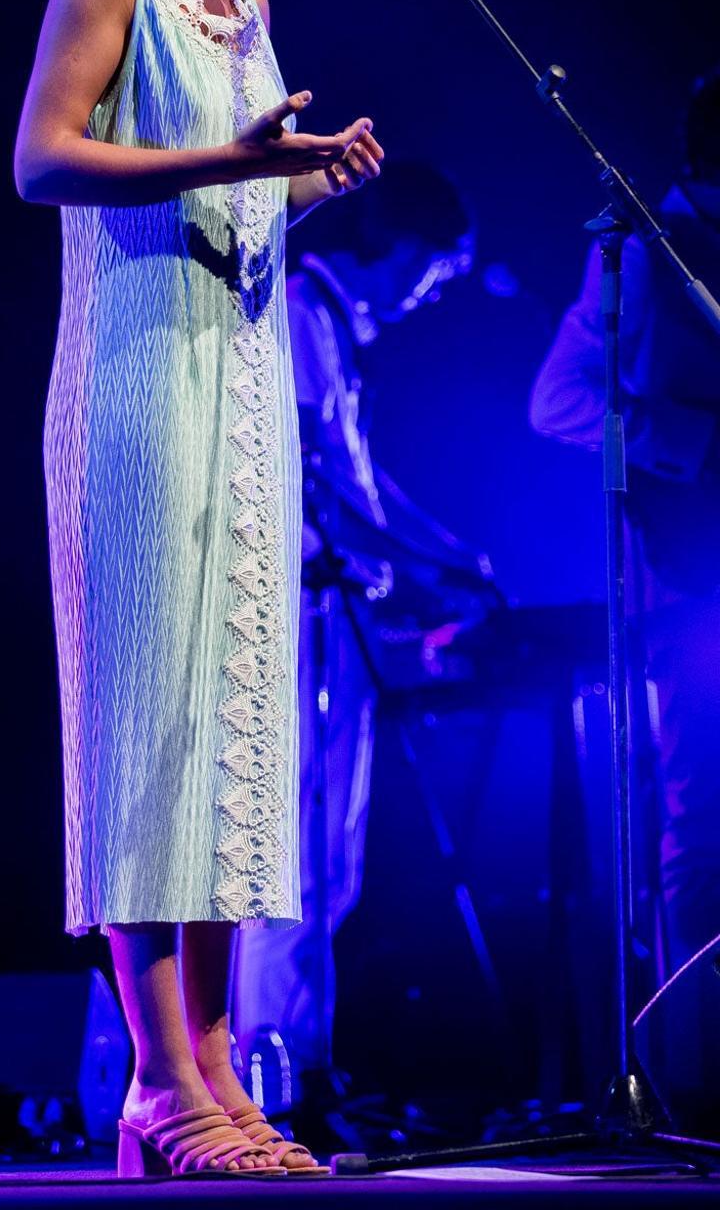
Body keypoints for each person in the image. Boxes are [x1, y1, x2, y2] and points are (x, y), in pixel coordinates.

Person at [13, 0, 384, 1177]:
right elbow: (43, 161)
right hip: (136, 387)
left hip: (245, 392)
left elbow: (234, 182)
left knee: (230, 735)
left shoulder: (253, 7)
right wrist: (216, 157)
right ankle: (157, 1087)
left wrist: (300, 175)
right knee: (142, 728)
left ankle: (221, 1077)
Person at [233, 162, 490, 1136]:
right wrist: (427, 565)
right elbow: (317, 488)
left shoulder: (336, 330)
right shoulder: (299, 311)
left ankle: (304, 1067)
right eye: (434, 274)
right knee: (289, 853)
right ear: (406, 248)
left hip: (333, 617)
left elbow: (362, 484)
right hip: (296, 611)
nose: (429, 297)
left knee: (331, 862)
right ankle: (276, 1079)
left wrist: (446, 554)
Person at [530, 68, 720, 973]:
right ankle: (698, 1066)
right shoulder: (650, 248)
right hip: (688, 572)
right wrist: (695, 443)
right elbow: (558, 402)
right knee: (704, 813)